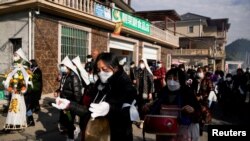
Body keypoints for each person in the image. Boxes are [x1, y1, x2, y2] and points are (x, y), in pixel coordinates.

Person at [52, 52, 138, 141]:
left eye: (104, 69)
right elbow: (88, 111)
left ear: (115, 68)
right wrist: (70, 105)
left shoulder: (125, 85)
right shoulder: (99, 84)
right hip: (95, 134)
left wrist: (110, 109)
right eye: (98, 70)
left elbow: (130, 115)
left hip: (116, 136)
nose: (101, 73)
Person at [147, 67, 201, 141]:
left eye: (175, 79)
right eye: (169, 78)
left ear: (181, 80)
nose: (172, 81)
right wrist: (148, 108)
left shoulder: (187, 93)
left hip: (182, 131)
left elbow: (199, 111)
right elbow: (156, 108)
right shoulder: (163, 92)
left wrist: (193, 110)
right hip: (163, 130)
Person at [2, 48, 33, 131]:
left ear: (20, 56)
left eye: (16, 55)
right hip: (14, 92)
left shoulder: (24, 67)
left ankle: (22, 121)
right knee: (13, 107)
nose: (14, 57)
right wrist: (9, 85)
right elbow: (10, 76)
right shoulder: (14, 66)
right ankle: (13, 122)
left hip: (21, 92)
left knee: (21, 107)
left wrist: (22, 87)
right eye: (14, 55)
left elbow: (27, 79)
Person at [54, 56, 82, 141]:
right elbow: (62, 87)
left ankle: (71, 136)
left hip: (70, 104)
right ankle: (70, 132)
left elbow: (77, 93)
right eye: (61, 66)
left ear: (68, 67)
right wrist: (57, 90)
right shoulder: (64, 75)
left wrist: (75, 106)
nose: (62, 68)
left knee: (69, 120)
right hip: (63, 102)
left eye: (63, 66)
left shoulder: (74, 77)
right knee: (64, 120)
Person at [134, 58, 154, 128]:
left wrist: (150, 93)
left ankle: (143, 121)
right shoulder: (138, 71)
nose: (141, 64)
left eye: (142, 62)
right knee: (139, 106)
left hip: (145, 91)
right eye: (140, 62)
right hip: (138, 92)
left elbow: (151, 83)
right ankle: (141, 119)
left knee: (144, 106)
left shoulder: (148, 71)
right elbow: (135, 79)